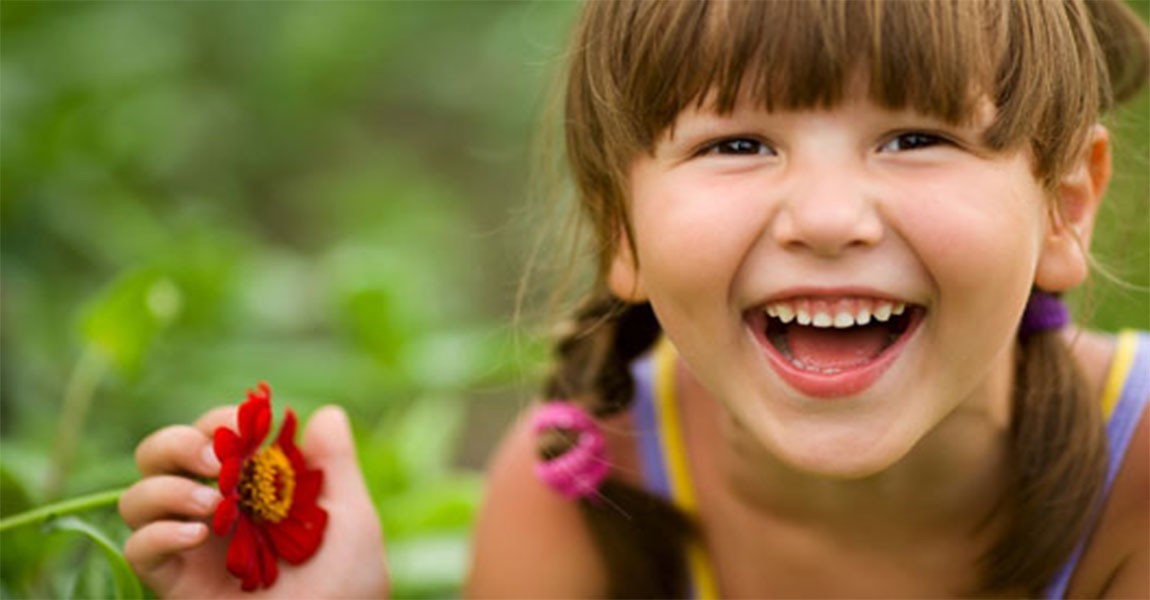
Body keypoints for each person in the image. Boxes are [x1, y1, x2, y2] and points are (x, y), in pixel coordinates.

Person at [118, 0, 1150, 597]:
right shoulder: (578, 502)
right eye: (736, 144)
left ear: (1064, 206)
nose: (829, 217)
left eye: (917, 138)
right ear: (621, 228)